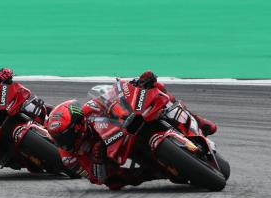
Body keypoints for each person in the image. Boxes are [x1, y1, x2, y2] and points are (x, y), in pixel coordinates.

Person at [45, 70, 218, 189]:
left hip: (127, 127)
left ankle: (196, 120)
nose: (63, 143)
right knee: (114, 183)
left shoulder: (88, 110)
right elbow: (96, 179)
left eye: (66, 137)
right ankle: (151, 173)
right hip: (119, 155)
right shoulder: (68, 158)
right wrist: (98, 161)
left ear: (78, 125)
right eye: (59, 139)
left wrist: (138, 83)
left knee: (158, 89)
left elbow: (114, 96)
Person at [129, 71, 217, 136]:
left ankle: (199, 124)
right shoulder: (131, 99)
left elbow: (166, 96)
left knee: (210, 127)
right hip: (145, 125)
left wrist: (143, 82)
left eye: (143, 84)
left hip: (167, 113)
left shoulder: (156, 88)